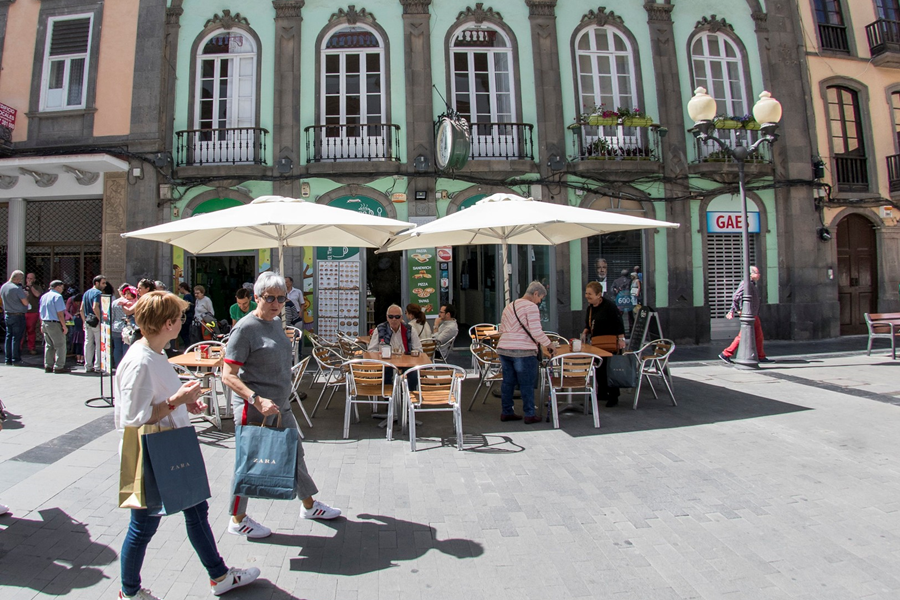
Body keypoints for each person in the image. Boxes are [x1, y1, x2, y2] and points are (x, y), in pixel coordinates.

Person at [115, 291, 260, 599]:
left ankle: (219, 575)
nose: (183, 322)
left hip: (171, 445)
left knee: (196, 510)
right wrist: (176, 401)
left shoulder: (154, 353)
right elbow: (134, 418)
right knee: (143, 526)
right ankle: (129, 592)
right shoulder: (141, 361)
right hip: (150, 453)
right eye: (180, 318)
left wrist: (184, 403)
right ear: (168, 323)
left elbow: (157, 400)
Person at [222, 272, 341, 539]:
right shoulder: (244, 329)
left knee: (294, 454)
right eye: (269, 298)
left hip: (280, 406)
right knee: (247, 464)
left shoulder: (276, 322)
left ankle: (309, 506)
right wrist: (256, 399)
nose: (276, 303)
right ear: (256, 298)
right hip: (255, 409)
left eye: (281, 297)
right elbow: (227, 375)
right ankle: (237, 520)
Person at [496, 281, 555, 424]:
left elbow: (502, 329)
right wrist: (549, 344)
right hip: (523, 351)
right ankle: (529, 414)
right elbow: (536, 331)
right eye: (540, 298)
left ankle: (506, 412)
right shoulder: (532, 307)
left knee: (508, 382)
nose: (540, 301)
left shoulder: (509, 306)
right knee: (526, 383)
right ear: (535, 294)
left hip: (504, 348)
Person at [583, 281, 626, 407]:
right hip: (597, 343)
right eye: (586, 293)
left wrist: (621, 339)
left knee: (610, 370)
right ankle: (602, 393)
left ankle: (614, 396)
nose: (587, 296)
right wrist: (585, 331)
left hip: (610, 343)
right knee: (599, 369)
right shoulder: (590, 308)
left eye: (590, 294)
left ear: (599, 295)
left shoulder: (610, 306)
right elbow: (589, 324)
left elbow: (619, 323)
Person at [719, 265, 770, 364]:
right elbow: (736, 296)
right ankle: (726, 353)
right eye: (756, 273)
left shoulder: (751, 284)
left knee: (758, 336)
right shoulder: (746, 284)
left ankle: (760, 355)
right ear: (750, 274)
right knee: (743, 335)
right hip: (749, 314)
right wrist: (736, 310)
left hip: (753, 314)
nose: (759, 275)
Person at [39, 280, 69, 374]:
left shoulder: (44, 296)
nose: (62, 290)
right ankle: (59, 366)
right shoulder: (58, 296)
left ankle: (48, 365)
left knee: (49, 345)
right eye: (62, 287)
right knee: (60, 345)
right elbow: (60, 313)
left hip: (45, 322)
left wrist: (41, 324)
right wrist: (64, 326)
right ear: (58, 287)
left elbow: (40, 312)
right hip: (54, 323)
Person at [1, 270, 29, 365]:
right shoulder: (16, 288)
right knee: (16, 338)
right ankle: (15, 359)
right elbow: (25, 302)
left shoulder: (3, 287)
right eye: (20, 279)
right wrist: (26, 296)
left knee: (8, 337)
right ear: (17, 278)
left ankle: (7, 359)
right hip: (18, 315)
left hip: (8, 314)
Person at [82, 274, 106, 373]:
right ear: (96, 283)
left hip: (88, 321)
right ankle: (97, 366)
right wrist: (101, 320)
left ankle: (88, 365)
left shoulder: (86, 293)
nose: (105, 285)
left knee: (88, 344)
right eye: (103, 283)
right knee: (98, 344)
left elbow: (81, 309)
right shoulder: (98, 293)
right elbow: (95, 307)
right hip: (96, 322)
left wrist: (84, 321)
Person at [110, 284, 137, 368]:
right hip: (127, 327)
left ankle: (118, 365)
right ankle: (125, 366)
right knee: (126, 347)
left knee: (117, 348)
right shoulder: (133, 302)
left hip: (116, 327)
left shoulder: (115, 302)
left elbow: (112, 316)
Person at [24, 272, 43, 355]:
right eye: (28, 278)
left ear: (34, 280)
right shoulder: (22, 287)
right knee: (21, 331)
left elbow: (38, 295)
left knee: (31, 330)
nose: (29, 280)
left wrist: (31, 286)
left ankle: (31, 348)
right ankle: (19, 347)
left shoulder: (37, 287)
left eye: (31, 278)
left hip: (33, 312)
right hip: (23, 312)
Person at [66, 293, 84, 365]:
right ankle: (80, 357)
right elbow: (66, 310)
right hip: (79, 328)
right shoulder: (70, 300)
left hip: (77, 329)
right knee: (81, 344)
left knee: (78, 344)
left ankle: (78, 357)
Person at [177, 282, 194, 348]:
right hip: (189, 316)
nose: (179, 290)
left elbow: (186, 307)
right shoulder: (190, 296)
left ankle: (187, 346)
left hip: (186, 317)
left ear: (183, 288)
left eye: (179, 289)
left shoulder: (187, 296)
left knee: (184, 333)